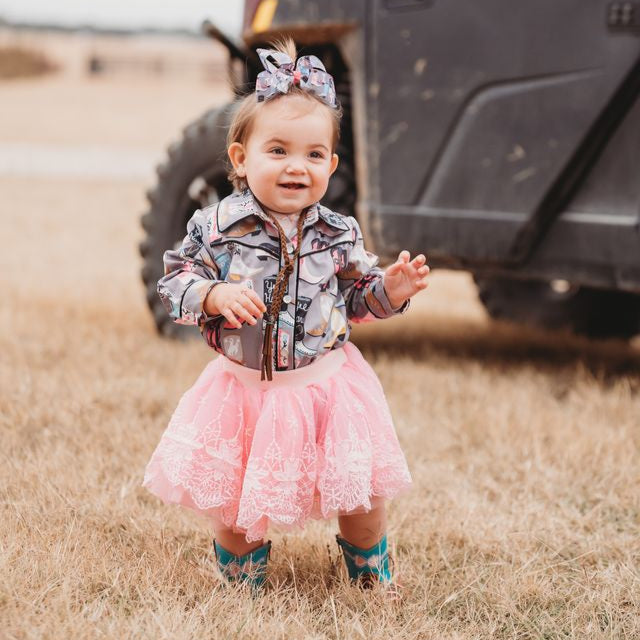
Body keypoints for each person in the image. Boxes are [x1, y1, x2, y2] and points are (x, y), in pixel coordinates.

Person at [142, 39, 430, 595]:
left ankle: (370, 572)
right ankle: (241, 578)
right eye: (277, 150)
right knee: (236, 501)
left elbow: (356, 299)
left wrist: (391, 290)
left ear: (331, 165)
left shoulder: (338, 234)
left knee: (361, 492)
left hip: (327, 389)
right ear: (240, 158)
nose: (297, 166)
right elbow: (172, 281)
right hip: (245, 390)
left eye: (314, 155)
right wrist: (211, 296)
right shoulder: (216, 228)